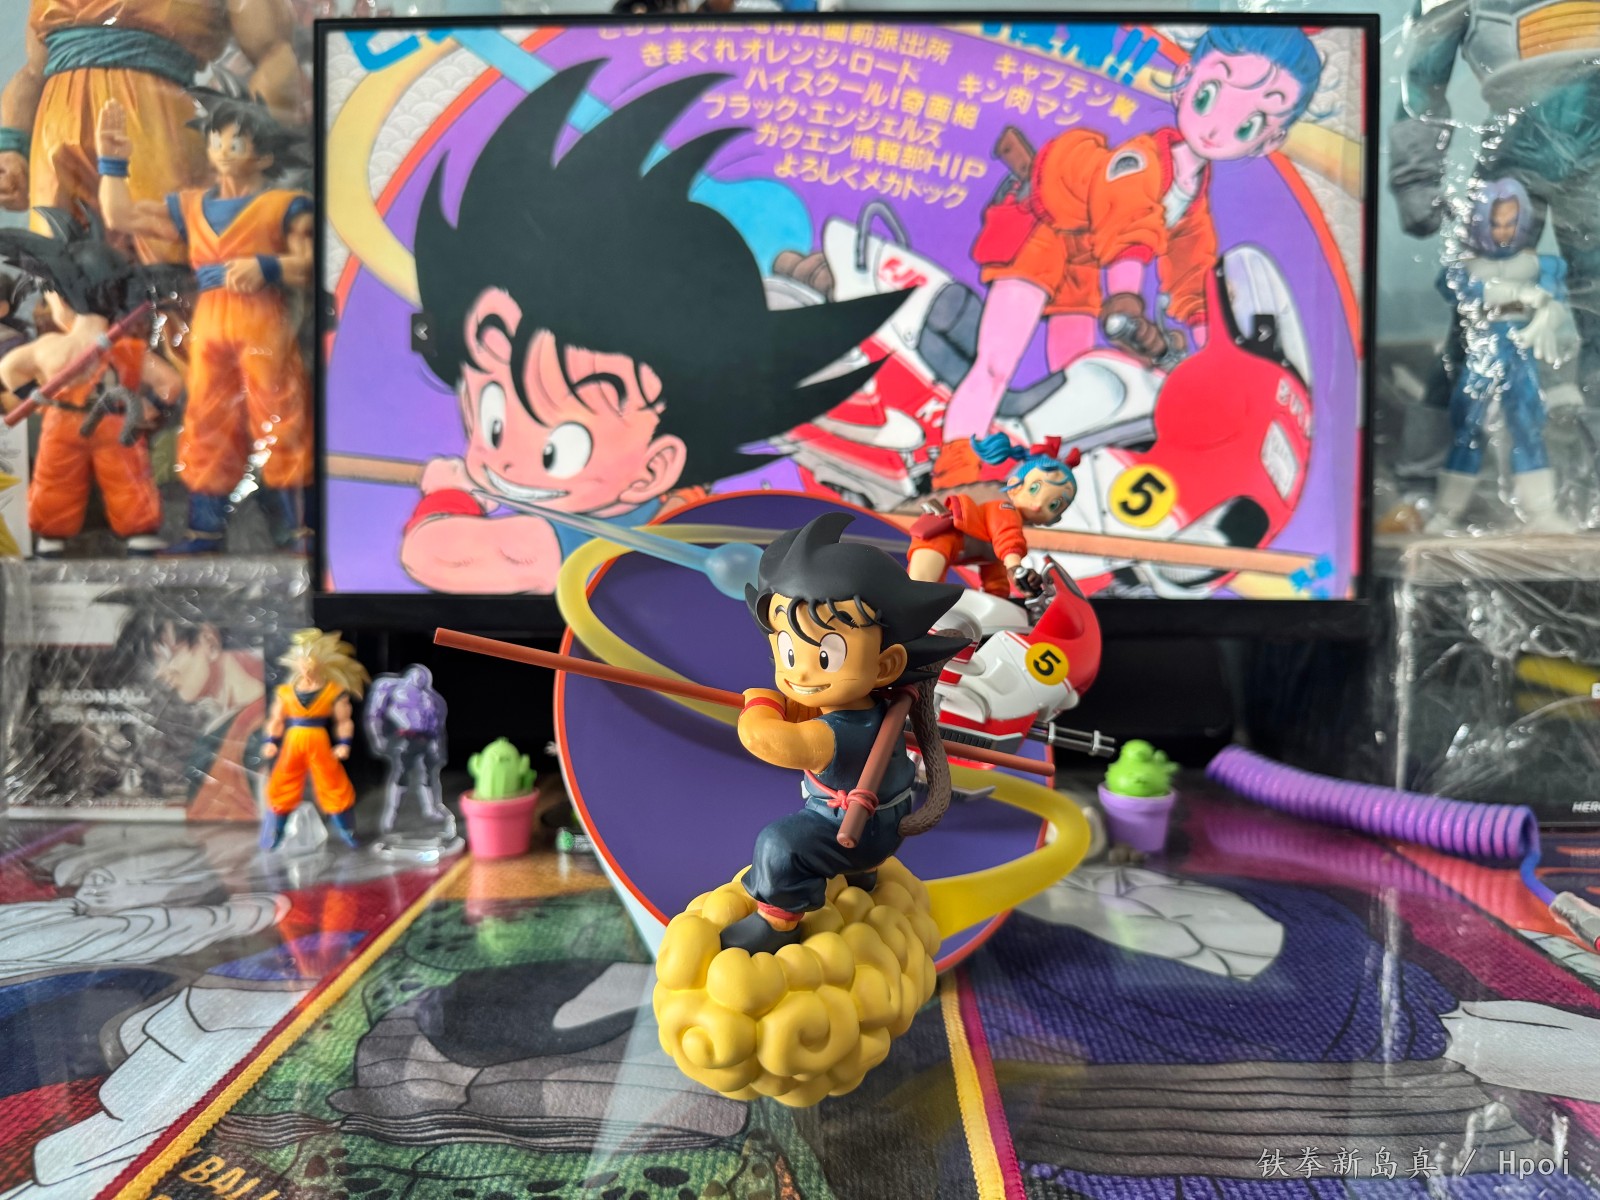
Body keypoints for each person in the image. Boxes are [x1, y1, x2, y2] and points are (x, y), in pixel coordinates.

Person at [402, 63, 907, 594]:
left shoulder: (588, 536)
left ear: (655, 468)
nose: (503, 458)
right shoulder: (646, 509)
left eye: (558, 449)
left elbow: (436, 557)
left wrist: (447, 496)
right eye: (493, 421)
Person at [935, 27, 1324, 488]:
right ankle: (955, 467)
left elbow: (1193, 277)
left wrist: (1217, 356)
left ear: (1271, 138)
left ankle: (1051, 481)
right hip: (1041, 234)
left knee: (1082, 377)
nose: (1216, 129)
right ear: (1184, 78)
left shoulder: (1193, 197)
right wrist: (1125, 303)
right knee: (996, 361)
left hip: (1085, 258)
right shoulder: (1142, 161)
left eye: (1248, 125)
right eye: (1208, 97)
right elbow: (1129, 227)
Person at [728, 513, 966, 954]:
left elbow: (771, 742)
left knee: (779, 844)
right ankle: (862, 877)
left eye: (826, 655)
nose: (799, 671)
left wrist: (759, 706)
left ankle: (778, 923)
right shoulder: (873, 707)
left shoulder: (841, 732)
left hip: (856, 830)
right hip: (877, 821)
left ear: (885, 666)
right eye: (786, 649)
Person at [97, 91, 313, 552]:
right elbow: (120, 215)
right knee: (206, 419)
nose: (221, 152)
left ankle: (296, 526)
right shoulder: (192, 206)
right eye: (216, 141)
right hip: (211, 321)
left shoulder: (286, 205)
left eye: (235, 143)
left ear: (264, 155)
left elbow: (309, 264)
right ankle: (204, 528)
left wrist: (267, 266)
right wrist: (113, 164)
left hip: (263, 320)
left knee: (278, 415)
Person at [0, 0, 302, 265]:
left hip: (155, 123)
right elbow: (33, 72)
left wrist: (246, 156)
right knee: (55, 271)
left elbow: (274, 54)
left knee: (166, 260)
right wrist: (11, 147)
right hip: (56, 131)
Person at [0, 207, 182, 556]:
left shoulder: (52, 347)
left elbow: (9, 369)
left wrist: (33, 397)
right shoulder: (127, 350)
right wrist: (153, 408)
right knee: (123, 477)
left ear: (65, 295)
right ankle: (135, 530)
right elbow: (170, 383)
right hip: (109, 422)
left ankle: (52, 534)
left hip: (71, 421)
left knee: (59, 478)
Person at [1429, 177, 1579, 533]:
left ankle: (1540, 511)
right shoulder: (1464, 269)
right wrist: (1521, 294)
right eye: (1496, 223)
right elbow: (1466, 291)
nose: (1503, 231)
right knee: (1468, 424)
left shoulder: (1541, 266)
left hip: (1521, 351)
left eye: (1511, 223)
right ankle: (1446, 511)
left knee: (1527, 424)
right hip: (1483, 350)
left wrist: (1546, 318)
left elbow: (1556, 302)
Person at [908, 434, 1080, 598]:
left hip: (958, 547)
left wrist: (1006, 594)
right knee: (919, 592)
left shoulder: (998, 546)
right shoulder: (1004, 509)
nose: (1038, 505)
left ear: (1055, 518)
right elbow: (1007, 539)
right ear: (1014, 486)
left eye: (1053, 505)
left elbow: (997, 569)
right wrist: (1016, 568)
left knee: (991, 587)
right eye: (1034, 489)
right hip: (939, 539)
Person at [261, 628, 370, 850]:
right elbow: (276, 720)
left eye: (311, 663)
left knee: (333, 783)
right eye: (303, 663)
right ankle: (277, 833)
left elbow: (344, 721)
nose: (306, 668)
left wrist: (344, 744)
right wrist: (271, 741)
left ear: (322, 664)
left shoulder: (333, 691)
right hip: (293, 740)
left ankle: (347, 831)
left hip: (319, 740)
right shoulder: (285, 692)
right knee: (283, 783)